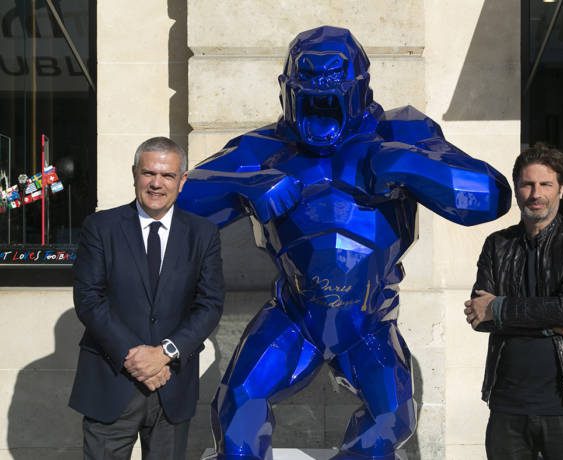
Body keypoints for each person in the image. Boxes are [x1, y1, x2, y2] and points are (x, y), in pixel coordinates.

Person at [177, 26, 511, 460]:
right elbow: (175, 201)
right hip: (295, 314)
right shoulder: (265, 147)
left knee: (393, 419)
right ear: (286, 91)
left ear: (359, 90)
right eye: (307, 89)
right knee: (239, 402)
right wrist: (242, 185)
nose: (319, 97)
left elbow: (492, 196)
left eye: (332, 89)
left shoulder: (401, 131)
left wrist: (411, 165)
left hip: (368, 318)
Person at [69, 137, 224, 459]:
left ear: (182, 181)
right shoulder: (100, 227)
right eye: (148, 173)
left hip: (173, 384)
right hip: (111, 383)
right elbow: (88, 298)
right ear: (134, 174)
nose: (156, 183)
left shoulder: (203, 234)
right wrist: (135, 356)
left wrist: (166, 352)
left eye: (167, 176)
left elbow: (209, 304)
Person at [464, 143, 563, 460]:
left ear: (560, 189)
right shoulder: (497, 245)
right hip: (508, 404)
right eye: (527, 184)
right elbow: (479, 317)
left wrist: (501, 306)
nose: (536, 193)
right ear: (517, 190)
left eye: (545, 184)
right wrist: (553, 324)